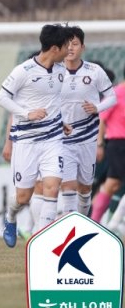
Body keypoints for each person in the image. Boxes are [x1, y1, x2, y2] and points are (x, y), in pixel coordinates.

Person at [0, 23, 74, 248]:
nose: (69, 51)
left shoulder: (61, 71)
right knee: (23, 198)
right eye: (66, 46)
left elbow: (53, 101)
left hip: (52, 140)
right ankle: (10, 218)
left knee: (52, 186)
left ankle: (41, 240)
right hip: (26, 142)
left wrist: (62, 122)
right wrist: (27, 113)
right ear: (54, 48)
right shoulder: (24, 71)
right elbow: (2, 98)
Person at [57, 29, 116, 217]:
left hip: (88, 137)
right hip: (63, 137)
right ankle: (70, 226)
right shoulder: (54, 72)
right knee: (68, 185)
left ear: (83, 47)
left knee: (85, 187)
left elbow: (112, 98)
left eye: (75, 44)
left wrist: (97, 108)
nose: (70, 48)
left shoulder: (94, 71)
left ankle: (82, 220)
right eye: (67, 44)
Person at [92, 63, 125, 225]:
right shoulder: (117, 93)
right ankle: (102, 222)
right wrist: (99, 145)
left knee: (113, 184)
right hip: (117, 144)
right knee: (113, 183)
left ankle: (105, 223)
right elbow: (102, 120)